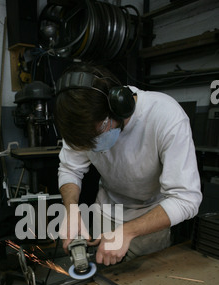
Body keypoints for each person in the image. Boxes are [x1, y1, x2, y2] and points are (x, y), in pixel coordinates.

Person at [54, 63, 202, 266]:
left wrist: (127, 232)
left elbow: (186, 199)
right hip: (105, 212)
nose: (94, 146)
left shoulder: (166, 118)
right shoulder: (80, 123)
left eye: (97, 135)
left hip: (149, 220)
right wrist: (71, 210)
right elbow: (70, 169)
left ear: (119, 107)